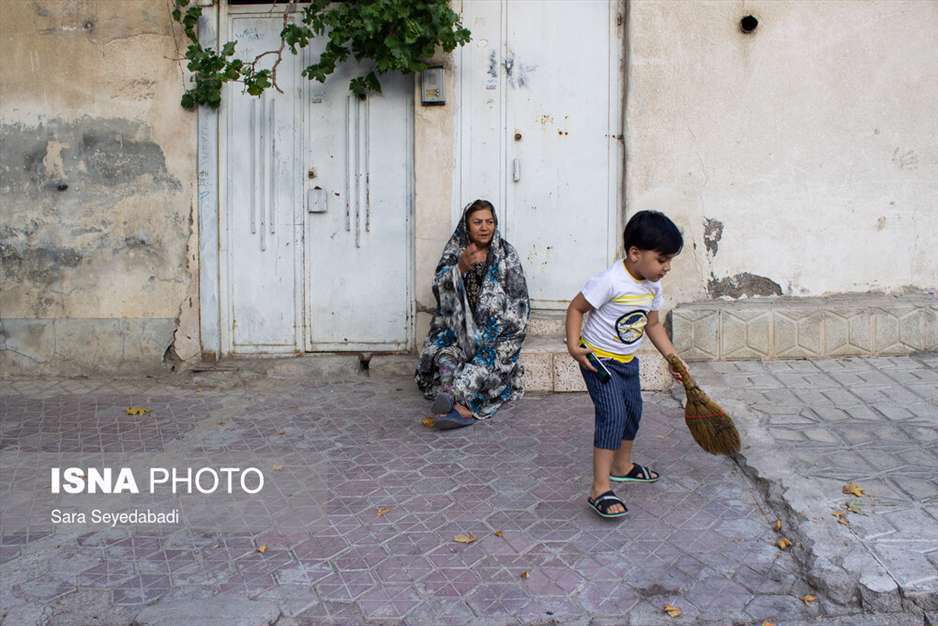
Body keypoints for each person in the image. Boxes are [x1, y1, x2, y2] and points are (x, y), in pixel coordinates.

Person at [564, 210, 686, 519]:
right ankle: (600, 488)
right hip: (598, 360)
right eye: (662, 260)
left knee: (633, 411)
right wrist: (574, 344)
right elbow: (576, 308)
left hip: (626, 360)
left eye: (670, 260)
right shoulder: (610, 281)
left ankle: (622, 466)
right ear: (635, 254)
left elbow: (653, 325)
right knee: (613, 414)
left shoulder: (652, 286)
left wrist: (672, 357)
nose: (667, 267)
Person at [416, 200, 530, 429]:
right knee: (445, 356)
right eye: (477, 222)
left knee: (479, 369)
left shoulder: (507, 256)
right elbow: (440, 291)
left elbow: (520, 305)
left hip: (498, 337)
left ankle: (461, 406)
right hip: (460, 333)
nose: (484, 227)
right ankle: (448, 394)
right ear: (467, 226)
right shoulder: (456, 252)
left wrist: (492, 334)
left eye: (489, 222)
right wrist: (460, 269)